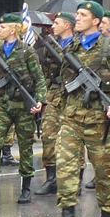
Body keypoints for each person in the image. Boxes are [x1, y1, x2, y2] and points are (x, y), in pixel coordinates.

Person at [44, 1, 110, 217]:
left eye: (83, 15)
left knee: (105, 172)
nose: (78, 18)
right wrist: (57, 106)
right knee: (65, 168)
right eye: (77, 14)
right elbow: (63, 83)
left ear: (96, 20)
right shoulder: (72, 46)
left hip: (100, 122)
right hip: (72, 119)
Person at [0, 13, 46, 204]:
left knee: (25, 146)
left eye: (2, 27)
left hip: (23, 105)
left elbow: (39, 78)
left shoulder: (26, 51)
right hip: (2, 104)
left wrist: (39, 100)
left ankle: (26, 188)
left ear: (13, 30)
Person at [34, 12, 75, 196]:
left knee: (73, 139)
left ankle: (76, 179)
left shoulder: (79, 45)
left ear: (67, 25)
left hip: (74, 95)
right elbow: (42, 72)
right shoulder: (48, 45)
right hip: (53, 93)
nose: (53, 26)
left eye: (57, 23)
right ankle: (51, 178)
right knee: (48, 135)